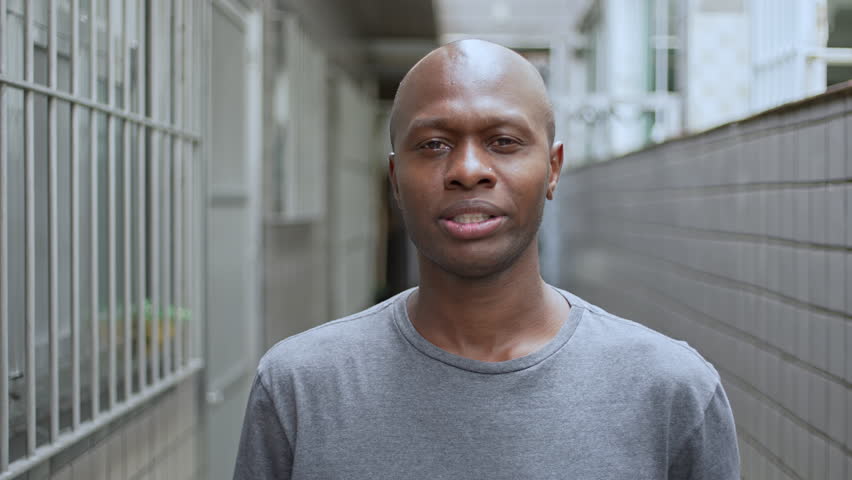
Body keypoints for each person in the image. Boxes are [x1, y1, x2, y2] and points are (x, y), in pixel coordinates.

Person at [234, 39, 740, 479]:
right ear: (395, 180)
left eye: (504, 142)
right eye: (434, 144)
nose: (469, 169)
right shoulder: (299, 387)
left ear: (553, 169)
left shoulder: (671, 391)